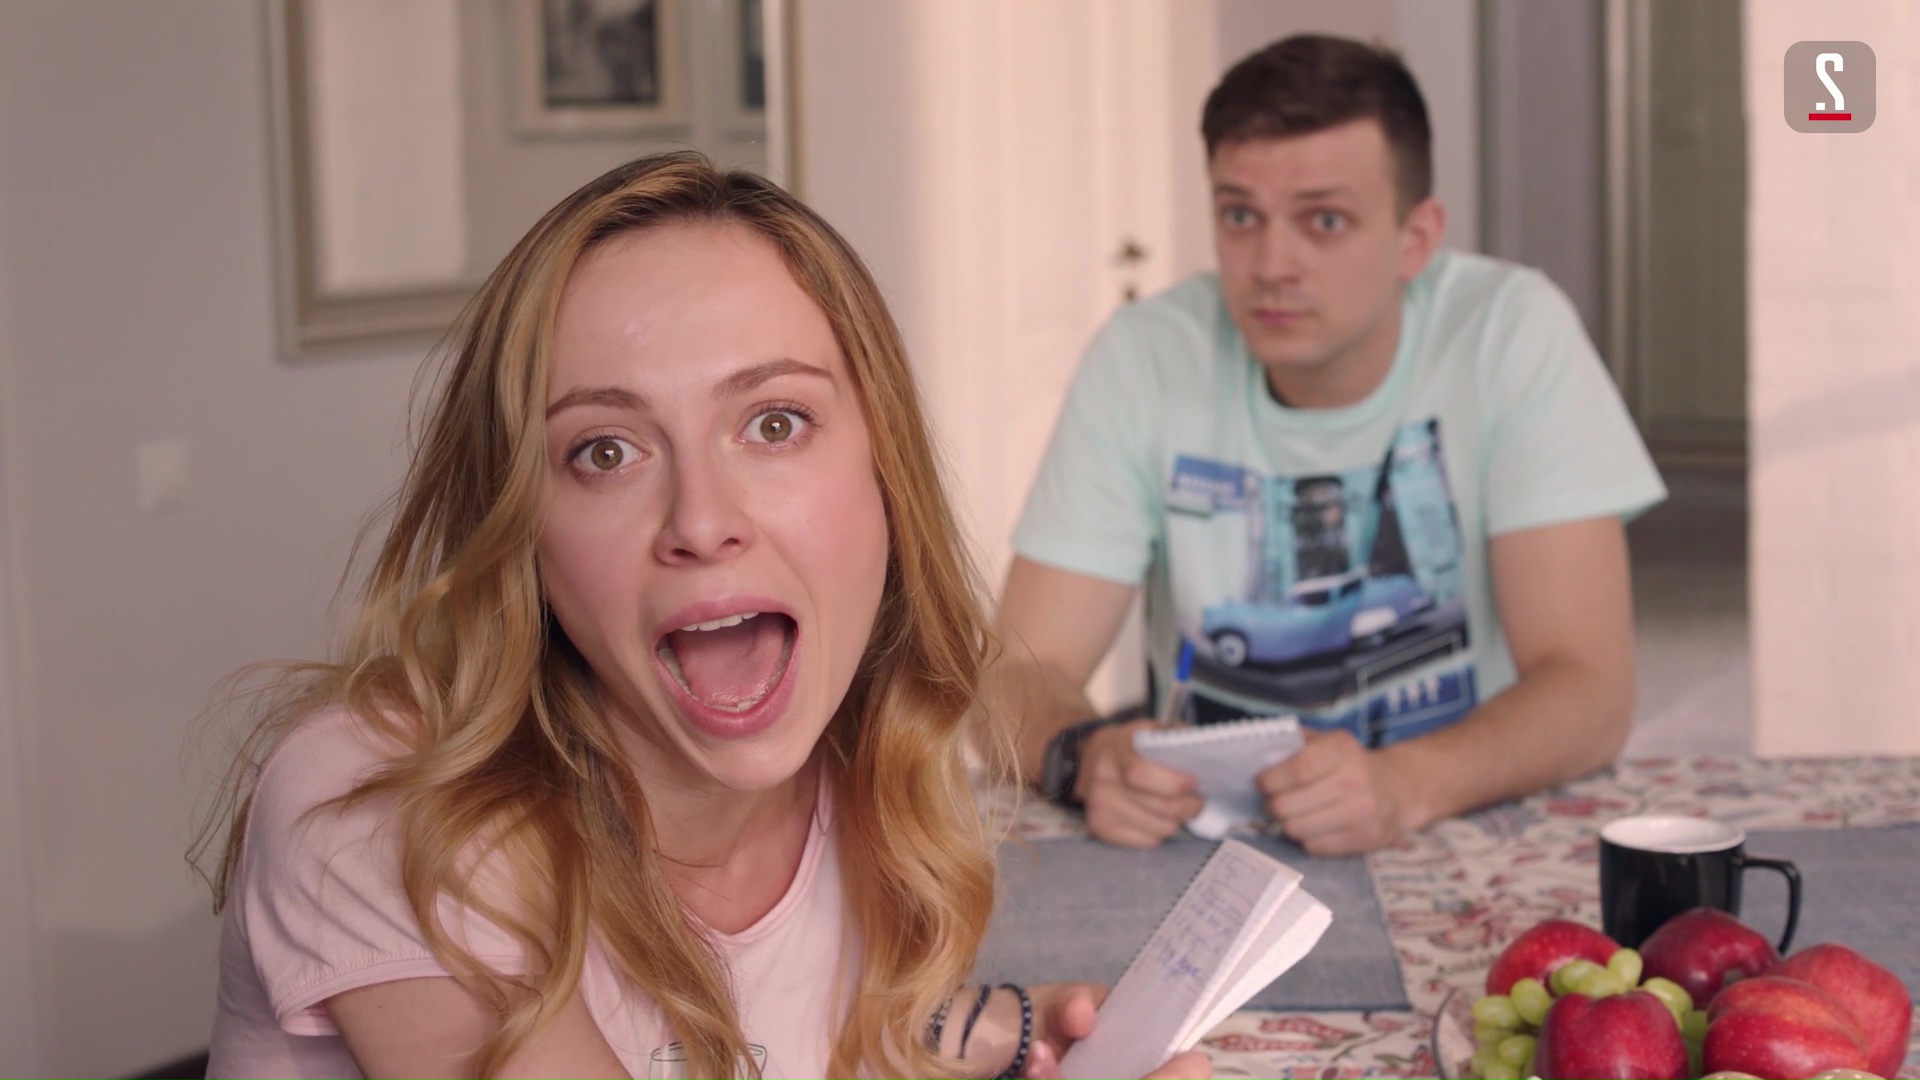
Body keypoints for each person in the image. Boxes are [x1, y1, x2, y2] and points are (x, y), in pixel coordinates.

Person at [193, 153, 1209, 1080]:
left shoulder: (856, 777)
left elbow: (796, 1026)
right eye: (605, 451)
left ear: (885, 471)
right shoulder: (384, 802)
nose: (701, 521)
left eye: (775, 423)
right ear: (522, 530)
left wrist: (1017, 1031)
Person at [992, 34, 1667, 856]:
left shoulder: (1508, 331)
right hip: (1205, 844)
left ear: (1415, 238)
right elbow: (1012, 673)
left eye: (1325, 221)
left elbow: (1590, 692)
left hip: (1455, 824)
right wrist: (1083, 755)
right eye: (1240, 215)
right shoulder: (1144, 356)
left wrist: (1404, 785)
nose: (1271, 265)